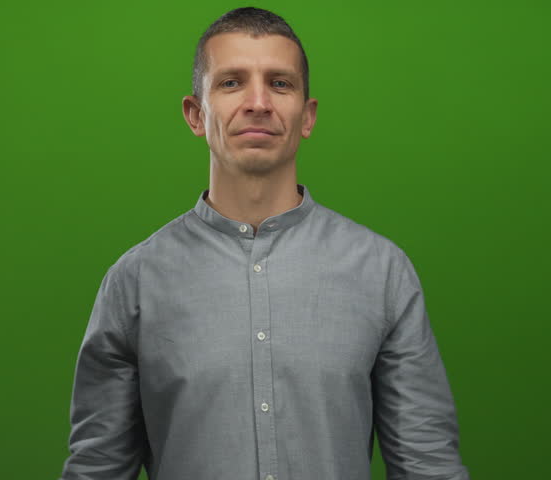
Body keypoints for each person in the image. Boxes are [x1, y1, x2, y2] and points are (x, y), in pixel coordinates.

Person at [59, 6, 469, 480]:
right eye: (232, 82)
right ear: (196, 114)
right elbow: (97, 470)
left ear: (307, 115)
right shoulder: (134, 281)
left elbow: (428, 467)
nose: (258, 102)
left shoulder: (381, 272)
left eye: (280, 83)